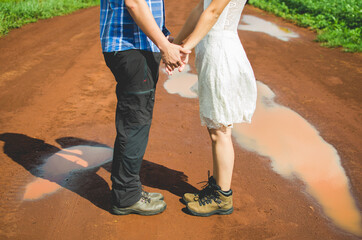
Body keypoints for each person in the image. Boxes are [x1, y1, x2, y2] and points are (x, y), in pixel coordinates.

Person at [100, 0, 190, 215]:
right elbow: (134, 3)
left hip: (137, 45)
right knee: (135, 122)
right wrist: (165, 45)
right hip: (131, 48)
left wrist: (164, 38)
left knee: (135, 120)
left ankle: (129, 190)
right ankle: (126, 197)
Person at [169, 0, 257, 216]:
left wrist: (184, 49)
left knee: (220, 130)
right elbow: (200, 8)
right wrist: (178, 43)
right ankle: (216, 187)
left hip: (221, 55)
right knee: (215, 128)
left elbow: (213, 11)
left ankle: (222, 198)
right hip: (212, 52)